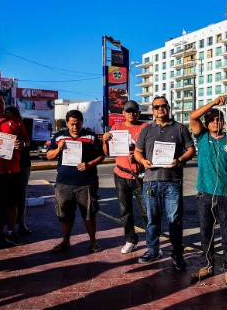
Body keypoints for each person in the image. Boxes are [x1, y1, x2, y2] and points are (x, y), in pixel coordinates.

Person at [134, 96, 195, 269]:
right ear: (152, 110)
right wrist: (143, 161)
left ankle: (177, 254)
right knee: (152, 220)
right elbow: (138, 152)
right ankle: (153, 250)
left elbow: (191, 149)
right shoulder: (146, 130)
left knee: (174, 219)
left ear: (168, 108)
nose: (160, 109)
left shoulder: (179, 128)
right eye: (156, 107)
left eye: (163, 106)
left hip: (172, 182)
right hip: (151, 182)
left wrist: (180, 159)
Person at [189, 95, 227, 287]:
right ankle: (207, 266)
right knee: (206, 233)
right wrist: (215, 103)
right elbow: (193, 117)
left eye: (220, 119)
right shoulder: (202, 137)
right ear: (207, 124)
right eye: (213, 120)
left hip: (225, 194)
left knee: (226, 234)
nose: (217, 122)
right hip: (205, 193)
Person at [47, 110, 105, 253]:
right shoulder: (59, 136)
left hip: (86, 183)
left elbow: (101, 156)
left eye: (78, 124)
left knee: (89, 214)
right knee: (65, 214)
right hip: (64, 183)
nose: (75, 127)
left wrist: (89, 164)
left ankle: (93, 242)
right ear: (67, 123)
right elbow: (49, 155)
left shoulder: (90, 136)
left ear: (82, 122)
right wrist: (59, 148)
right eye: (72, 124)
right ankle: (65, 241)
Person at [102, 100, 148, 254]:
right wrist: (105, 141)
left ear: (138, 113)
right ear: (123, 114)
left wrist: (138, 155)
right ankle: (130, 240)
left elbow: (152, 149)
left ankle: (152, 241)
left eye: (134, 111)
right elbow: (108, 152)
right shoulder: (116, 128)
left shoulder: (145, 128)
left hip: (141, 175)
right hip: (121, 174)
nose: (131, 114)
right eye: (128, 111)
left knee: (146, 210)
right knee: (125, 210)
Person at [0, 91, 30, 249]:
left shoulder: (15, 121)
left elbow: (27, 142)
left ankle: (11, 231)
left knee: (11, 205)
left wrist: (22, 145)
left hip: (11, 171)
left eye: (0, 101)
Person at [4, 106, 32, 235]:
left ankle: (21, 223)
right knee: (2, 198)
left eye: (10, 114)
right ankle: (2, 227)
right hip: (4, 165)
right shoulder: (0, 123)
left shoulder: (24, 124)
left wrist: (23, 144)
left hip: (22, 164)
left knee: (20, 196)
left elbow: (33, 143)